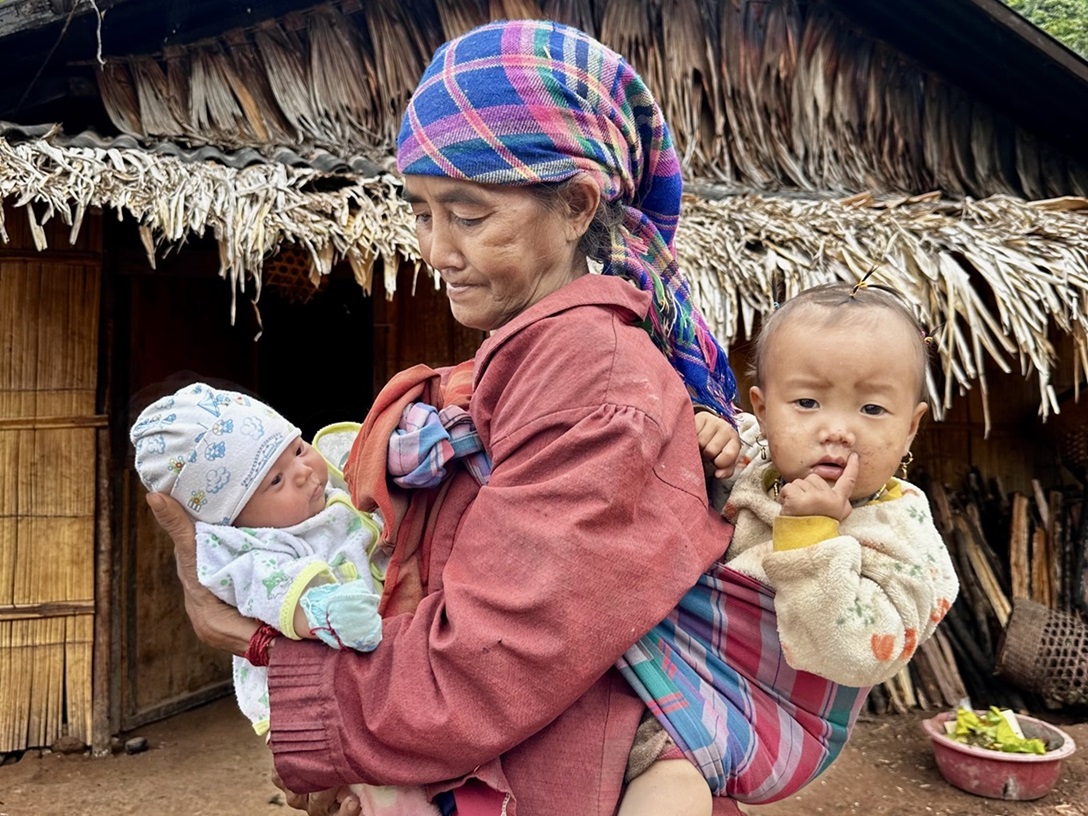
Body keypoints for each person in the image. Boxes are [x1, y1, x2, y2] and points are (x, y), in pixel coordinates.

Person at [146, 18, 746, 816]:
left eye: (466, 215)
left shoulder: (597, 388)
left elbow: (479, 670)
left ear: (574, 205)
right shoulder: (508, 366)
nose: (433, 248)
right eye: (422, 212)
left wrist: (253, 642)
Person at [619, 281, 960, 807]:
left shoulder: (903, 532)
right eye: (806, 402)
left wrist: (812, 538)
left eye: (871, 409)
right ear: (763, 405)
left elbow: (856, 655)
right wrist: (710, 440)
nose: (837, 430)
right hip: (671, 664)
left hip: (771, 718)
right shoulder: (756, 458)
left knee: (669, 780)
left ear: (911, 427)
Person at [130, 382, 484, 816]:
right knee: (384, 789)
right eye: (274, 480)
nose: (303, 471)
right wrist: (322, 609)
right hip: (323, 679)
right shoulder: (252, 551)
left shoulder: (332, 492)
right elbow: (276, 586)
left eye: (297, 449)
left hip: (392, 663)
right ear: (233, 519)